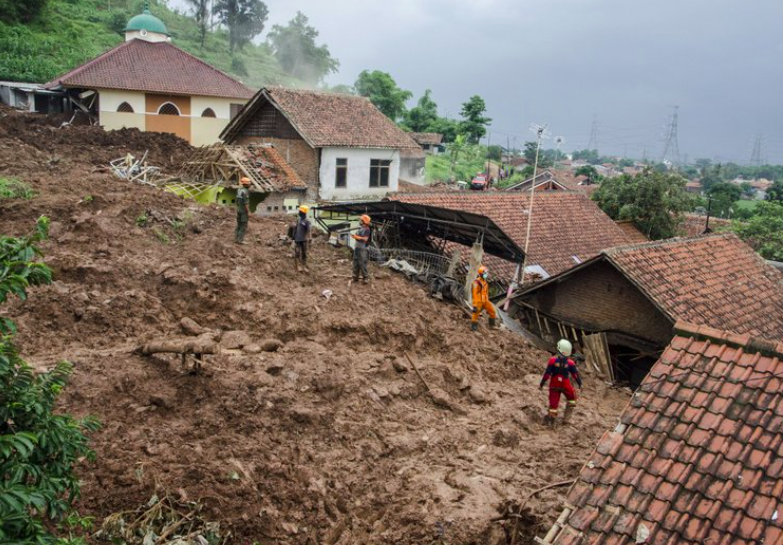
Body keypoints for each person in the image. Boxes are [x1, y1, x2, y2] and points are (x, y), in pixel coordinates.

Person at [539, 339, 583, 426]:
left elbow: (547, 374)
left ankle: (552, 419)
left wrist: (541, 384)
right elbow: (575, 375)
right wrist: (580, 384)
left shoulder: (552, 361)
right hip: (565, 384)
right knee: (572, 400)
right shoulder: (570, 363)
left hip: (554, 384)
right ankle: (566, 419)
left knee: (553, 404)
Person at [471, 265, 497, 331]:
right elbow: (474, 294)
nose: (487, 274)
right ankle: (473, 327)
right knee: (475, 314)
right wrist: (474, 305)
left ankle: (492, 325)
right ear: (481, 274)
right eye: (485, 273)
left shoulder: (485, 282)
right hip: (478, 301)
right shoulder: (476, 282)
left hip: (485, 300)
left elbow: (486, 293)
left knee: (492, 311)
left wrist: (487, 300)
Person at [351, 214, 372, 283]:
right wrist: (355, 236)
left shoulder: (367, 229)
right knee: (355, 262)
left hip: (363, 248)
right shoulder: (361, 228)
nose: (360, 221)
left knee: (362, 262)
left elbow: (365, 239)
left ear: (364, 221)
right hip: (357, 247)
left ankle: (365, 278)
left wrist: (357, 237)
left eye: (361, 220)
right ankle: (355, 277)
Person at [292, 205, 311, 272]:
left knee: (304, 254)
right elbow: (296, 228)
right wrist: (293, 237)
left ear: (303, 213)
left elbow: (309, 231)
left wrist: (309, 238)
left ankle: (304, 267)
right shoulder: (298, 220)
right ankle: (297, 267)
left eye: (300, 211)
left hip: (304, 240)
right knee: (297, 253)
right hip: (297, 239)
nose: (299, 212)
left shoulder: (307, 221)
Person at [235, 177, 251, 244]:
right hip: (244, 212)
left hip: (239, 210)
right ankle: (240, 240)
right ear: (246, 184)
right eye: (249, 183)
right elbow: (246, 203)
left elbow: (237, 201)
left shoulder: (239, 190)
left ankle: (236, 238)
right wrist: (249, 212)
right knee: (243, 225)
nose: (250, 185)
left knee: (238, 224)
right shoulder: (246, 192)